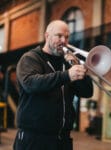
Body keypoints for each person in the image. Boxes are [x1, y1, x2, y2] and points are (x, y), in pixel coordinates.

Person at [13, 20, 93, 150]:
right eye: (59, 35)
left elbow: (87, 92)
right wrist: (67, 75)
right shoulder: (31, 58)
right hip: (34, 139)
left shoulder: (68, 62)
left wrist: (78, 69)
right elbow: (31, 83)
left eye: (67, 37)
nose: (64, 40)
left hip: (62, 139)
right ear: (47, 36)